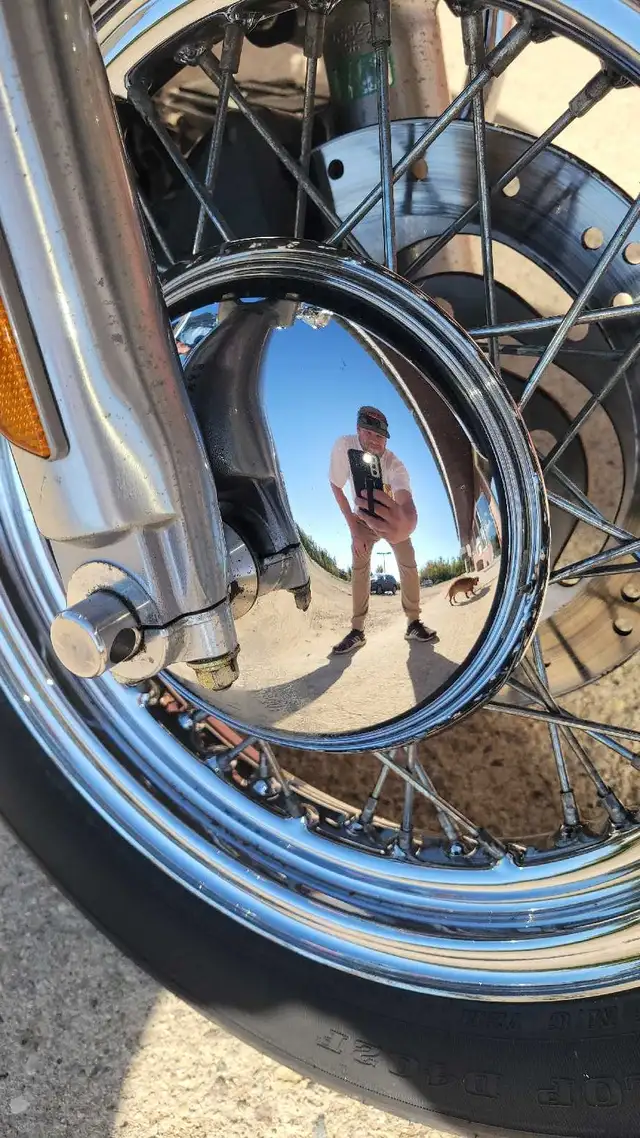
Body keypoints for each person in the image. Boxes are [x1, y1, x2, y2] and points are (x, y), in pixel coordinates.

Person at [329, 405, 437, 654]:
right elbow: (336, 486)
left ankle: (413, 622)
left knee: (408, 561)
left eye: (381, 437)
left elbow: (404, 496)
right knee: (360, 566)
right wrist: (354, 531)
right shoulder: (345, 446)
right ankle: (357, 630)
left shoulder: (394, 463)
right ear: (358, 430)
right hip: (363, 520)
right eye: (369, 434)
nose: (376, 442)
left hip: (390, 521)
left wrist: (408, 521)